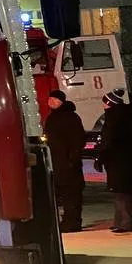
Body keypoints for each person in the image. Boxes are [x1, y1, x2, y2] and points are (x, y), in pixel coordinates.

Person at [97, 88, 132, 233]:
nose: (103, 105)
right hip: (123, 159)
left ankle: (127, 223)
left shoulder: (114, 118)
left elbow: (108, 141)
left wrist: (101, 158)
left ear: (109, 103)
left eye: (104, 102)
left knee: (122, 191)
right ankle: (120, 221)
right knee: (120, 191)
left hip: (118, 160)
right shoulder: (123, 116)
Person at [43, 90, 86, 232]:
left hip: (68, 164)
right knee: (64, 193)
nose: (51, 102)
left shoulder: (71, 117)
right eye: (50, 99)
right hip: (57, 162)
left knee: (71, 194)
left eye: (54, 99)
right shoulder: (52, 118)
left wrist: (71, 159)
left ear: (61, 101)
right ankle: (68, 220)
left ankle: (73, 222)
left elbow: (78, 140)